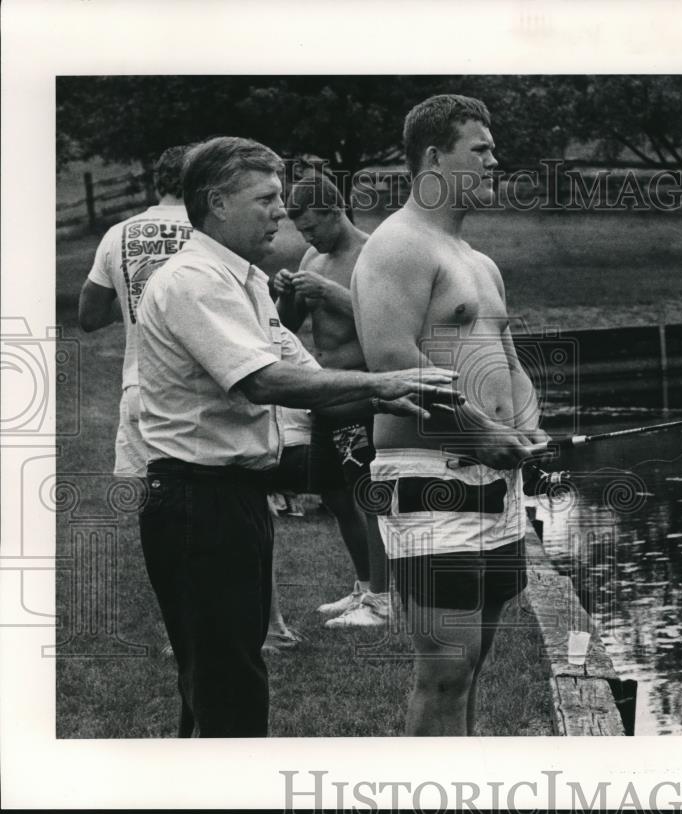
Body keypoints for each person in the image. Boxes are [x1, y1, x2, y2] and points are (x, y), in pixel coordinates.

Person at [136, 135, 460, 737]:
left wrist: (389, 391)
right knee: (225, 681)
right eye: (266, 198)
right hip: (196, 501)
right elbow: (262, 380)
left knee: (224, 672)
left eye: (281, 198)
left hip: (234, 496)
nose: (282, 212)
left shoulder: (246, 280)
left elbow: (302, 366)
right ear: (216, 204)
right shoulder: (194, 281)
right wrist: (383, 381)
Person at [352, 95, 550, 736]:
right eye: (481, 150)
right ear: (434, 158)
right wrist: (482, 432)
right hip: (429, 480)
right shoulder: (398, 246)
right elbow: (393, 365)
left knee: (473, 665)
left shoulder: (477, 260)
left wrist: (526, 423)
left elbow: (508, 360)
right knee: (442, 671)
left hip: (495, 480)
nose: (496, 160)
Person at [275, 172, 389, 627]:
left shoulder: (375, 256)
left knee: (370, 496)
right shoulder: (312, 257)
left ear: (333, 210)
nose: (307, 237)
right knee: (336, 497)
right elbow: (286, 327)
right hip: (325, 393)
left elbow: (387, 325)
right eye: (300, 231)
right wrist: (286, 295)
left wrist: (333, 295)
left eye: (312, 227)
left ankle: (384, 599)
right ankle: (363, 588)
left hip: (363, 394)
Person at [77, 144, 192, 477]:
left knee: (152, 501)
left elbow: (90, 316)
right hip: (202, 388)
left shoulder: (118, 234)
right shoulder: (215, 232)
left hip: (140, 385)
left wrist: (136, 298)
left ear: (158, 183)